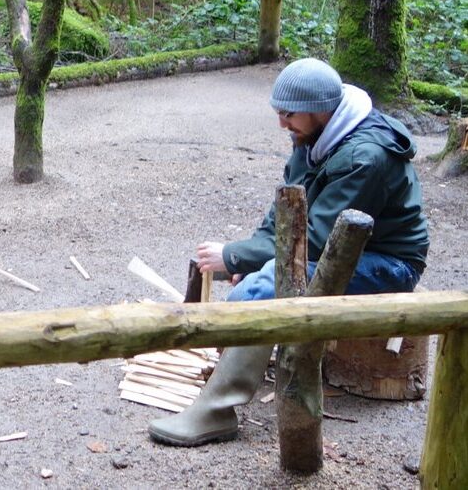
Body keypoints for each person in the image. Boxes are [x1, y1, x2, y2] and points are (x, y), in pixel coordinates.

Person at [149, 57, 428, 447]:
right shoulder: (314, 137)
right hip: (337, 247)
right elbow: (283, 214)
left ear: (319, 109)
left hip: (388, 264)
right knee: (257, 281)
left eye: (288, 114)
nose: (282, 123)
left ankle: (217, 412)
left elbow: (314, 240)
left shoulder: (365, 157)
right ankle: (242, 361)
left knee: (260, 292)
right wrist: (247, 255)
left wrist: (236, 257)